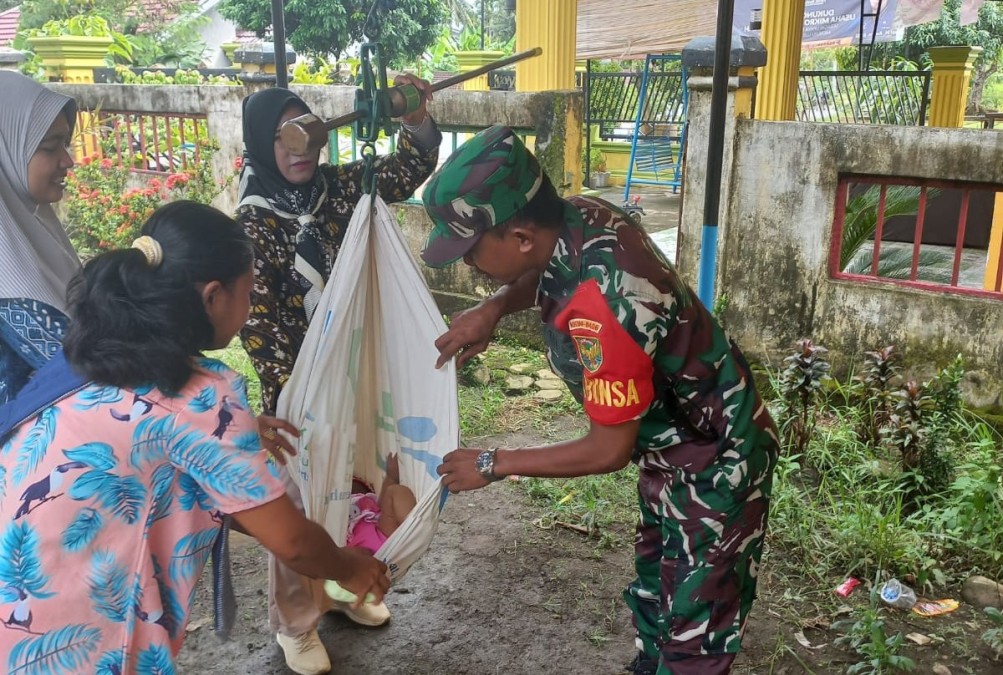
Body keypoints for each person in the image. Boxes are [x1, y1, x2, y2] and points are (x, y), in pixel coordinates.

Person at [419, 126, 780, 675]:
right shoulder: (574, 216)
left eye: (470, 251)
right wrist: (493, 307)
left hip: (715, 460)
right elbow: (547, 272)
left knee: (695, 631)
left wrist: (495, 463)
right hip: (673, 448)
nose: (466, 265)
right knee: (659, 588)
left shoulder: (606, 305)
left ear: (518, 234)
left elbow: (607, 449)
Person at [0, 201, 389, 674]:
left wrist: (235, 434)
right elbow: (293, 544)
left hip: (17, 612)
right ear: (211, 296)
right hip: (79, 639)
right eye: (248, 291)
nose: (250, 306)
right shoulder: (202, 397)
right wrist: (352, 568)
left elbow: (141, 435)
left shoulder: (89, 355)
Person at [236, 77, 442, 674]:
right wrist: (297, 393)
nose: (300, 150)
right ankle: (296, 624)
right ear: (258, 145)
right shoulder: (252, 225)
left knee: (352, 483)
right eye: (283, 139)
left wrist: (417, 118)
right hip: (298, 387)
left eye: (308, 133)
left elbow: (409, 168)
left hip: (354, 366)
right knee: (299, 503)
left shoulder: (341, 187)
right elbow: (260, 325)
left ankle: (344, 591)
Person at [0, 72, 81, 403]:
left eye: (66, 143)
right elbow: (80, 374)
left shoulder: (35, 228)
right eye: (50, 147)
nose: (68, 161)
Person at [347, 454, 416, 554]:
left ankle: (413, 529)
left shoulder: (365, 503)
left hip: (384, 533)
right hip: (356, 552)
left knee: (395, 491)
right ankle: (412, 532)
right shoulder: (330, 516)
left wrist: (391, 477)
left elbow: (382, 505)